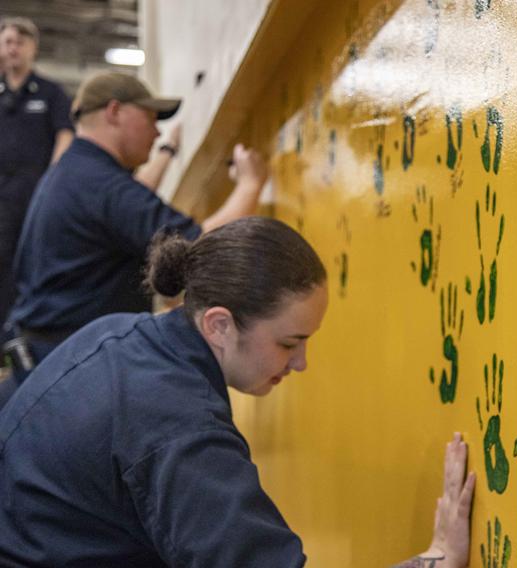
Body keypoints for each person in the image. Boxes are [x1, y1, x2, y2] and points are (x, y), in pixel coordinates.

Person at [0, 217, 476, 566]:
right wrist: (434, 560)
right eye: (289, 342)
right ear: (219, 324)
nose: (301, 363)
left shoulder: (120, 335)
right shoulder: (179, 426)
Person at [0, 71, 268, 405]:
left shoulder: (75, 173)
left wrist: (168, 153)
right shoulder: (101, 184)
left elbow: (130, 207)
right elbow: (204, 246)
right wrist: (251, 183)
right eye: (150, 118)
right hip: (70, 375)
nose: (157, 132)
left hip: (46, 364)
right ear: (114, 112)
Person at [0, 17, 74, 327]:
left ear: (33, 48)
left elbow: (65, 135)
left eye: (20, 41)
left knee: (31, 263)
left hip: (34, 194)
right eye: (7, 41)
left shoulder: (50, 93)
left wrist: (52, 182)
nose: (13, 47)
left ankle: (28, 332)